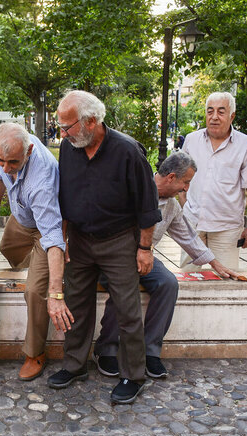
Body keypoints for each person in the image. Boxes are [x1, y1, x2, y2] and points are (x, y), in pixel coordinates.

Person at [51, 90, 161, 404]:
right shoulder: (69, 148)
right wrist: (64, 240)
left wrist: (144, 248)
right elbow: (63, 199)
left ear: (91, 121)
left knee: (127, 311)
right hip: (81, 241)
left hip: (119, 241)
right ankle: (74, 365)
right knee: (76, 306)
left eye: (67, 126)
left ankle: (133, 375)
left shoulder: (127, 151)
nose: (62, 133)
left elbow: (147, 204)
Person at [98, 150, 239, 380]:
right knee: (125, 285)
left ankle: (150, 351)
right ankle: (106, 349)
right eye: (186, 182)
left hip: (144, 260)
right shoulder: (134, 187)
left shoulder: (172, 206)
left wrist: (215, 264)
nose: (186, 189)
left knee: (168, 283)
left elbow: (189, 237)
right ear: (171, 177)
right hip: (111, 259)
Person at [0, 122, 68, 381]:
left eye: (13, 163)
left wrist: (55, 290)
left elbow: (52, 237)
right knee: (6, 247)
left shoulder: (42, 182)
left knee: (35, 291)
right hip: (22, 217)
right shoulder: (6, 152)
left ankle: (35, 353)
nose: (6, 167)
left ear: (28, 151)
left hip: (45, 227)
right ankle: (46, 265)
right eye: (1, 160)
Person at [180, 92, 247, 271]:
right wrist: (185, 205)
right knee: (187, 281)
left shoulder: (245, 145)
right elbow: (180, 178)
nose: (214, 117)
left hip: (226, 228)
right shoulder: (191, 140)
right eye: (210, 111)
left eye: (221, 111)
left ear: (232, 116)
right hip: (193, 224)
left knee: (225, 281)